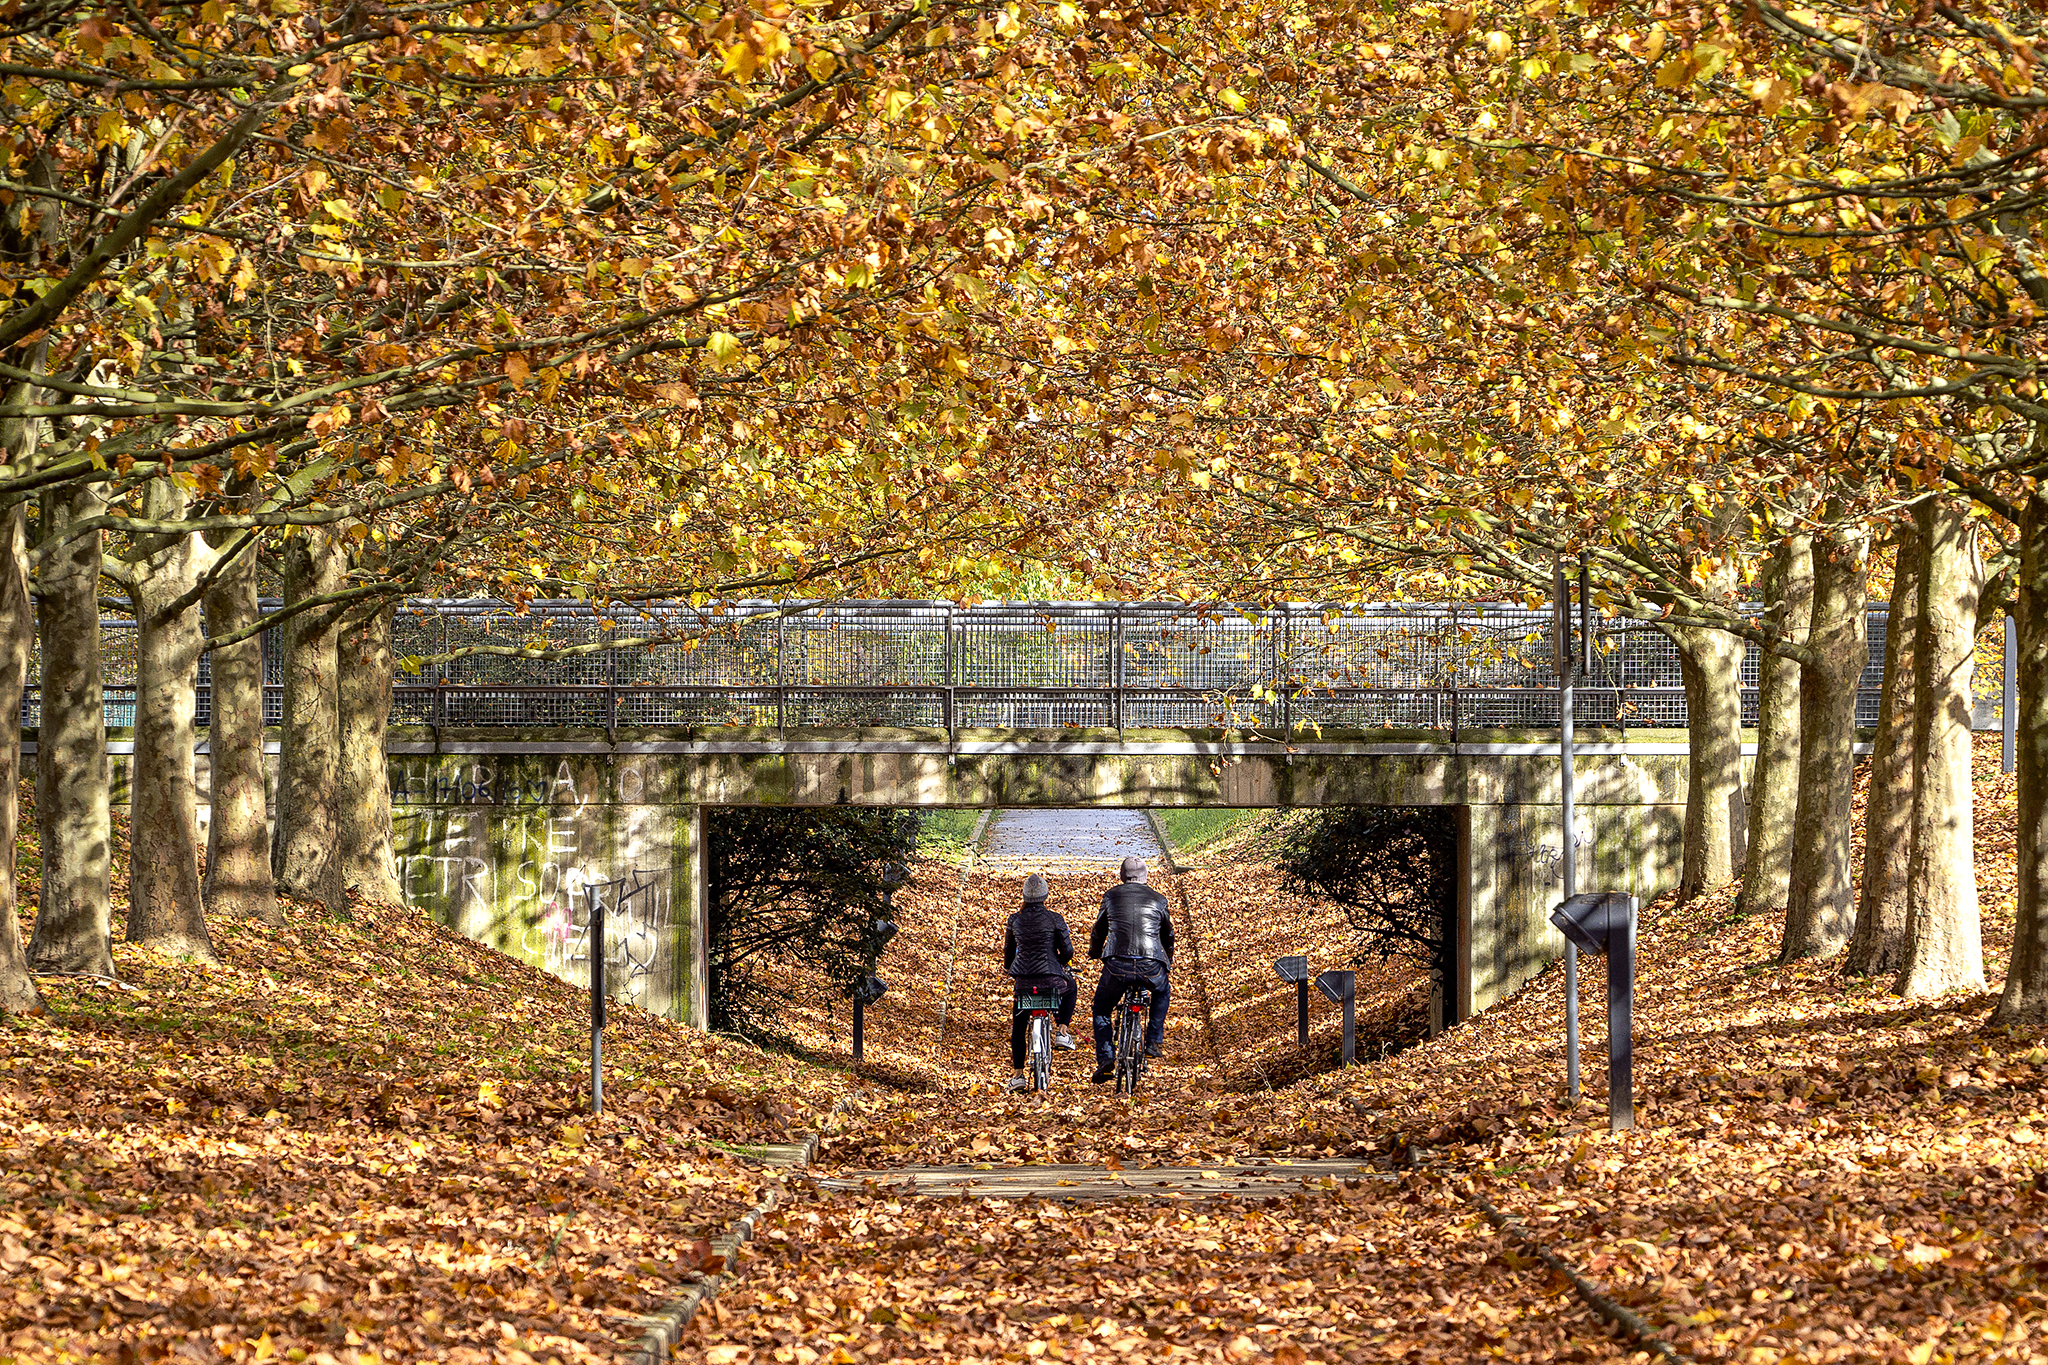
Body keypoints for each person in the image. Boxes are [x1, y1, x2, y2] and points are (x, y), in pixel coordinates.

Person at [1087, 854, 1173, 1083]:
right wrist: (1168, 961)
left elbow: (1099, 930)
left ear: (1123, 876)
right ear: (1145, 876)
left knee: (1102, 1009)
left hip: (1117, 965)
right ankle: (1154, 1040)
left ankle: (1106, 1058)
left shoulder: (1111, 896)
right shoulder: (1159, 899)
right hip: (1151, 964)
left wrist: (1094, 953)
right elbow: (1168, 935)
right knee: (1162, 991)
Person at [1003, 872, 1078, 1092]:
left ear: (1024, 897)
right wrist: (1061, 963)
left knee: (1018, 1026)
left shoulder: (1014, 920)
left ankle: (1018, 1075)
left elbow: (1009, 952)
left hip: (1024, 982)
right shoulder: (1055, 919)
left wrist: (1009, 968)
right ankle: (1062, 1031)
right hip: (1052, 979)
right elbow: (1067, 951)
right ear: (1045, 896)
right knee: (1071, 987)